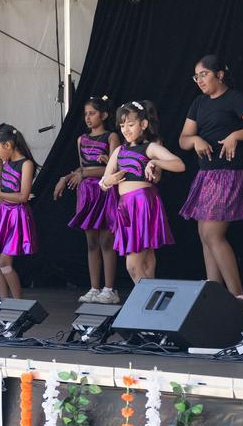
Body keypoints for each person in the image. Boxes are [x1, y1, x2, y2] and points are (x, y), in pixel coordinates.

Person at [178, 55, 243, 309]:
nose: (199, 81)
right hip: (207, 174)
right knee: (204, 233)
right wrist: (195, 140)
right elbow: (183, 139)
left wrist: (236, 135)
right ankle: (214, 293)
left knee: (212, 233)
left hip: (230, 173)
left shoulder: (234, 99)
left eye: (204, 74)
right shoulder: (198, 103)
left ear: (219, 74)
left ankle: (238, 297)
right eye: (196, 77)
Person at [102, 101, 183, 283]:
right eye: (122, 126)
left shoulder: (150, 148)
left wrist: (156, 162)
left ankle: (144, 303)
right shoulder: (119, 151)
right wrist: (109, 180)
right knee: (146, 263)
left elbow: (179, 164)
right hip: (125, 207)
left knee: (133, 265)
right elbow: (103, 181)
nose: (126, 130)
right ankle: (151, 306)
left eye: (130, 125)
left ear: (143, 124)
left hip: (143, 204)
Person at [55, 96, 122, 305]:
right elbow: (80, 168)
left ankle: (109, 289)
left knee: (106, 240)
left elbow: (114, 170)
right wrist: (66, 177)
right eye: (85, 114)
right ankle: (94, 288)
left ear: (103, 115)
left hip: (105, 190)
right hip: (87, 193)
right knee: (91, 242)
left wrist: (85, 172)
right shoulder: (81, 139)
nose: (87, 118)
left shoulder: (111, 137)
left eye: (92, 113)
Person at [0, 124, 37, 315]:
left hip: (15, 215)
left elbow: (22, 195)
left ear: (8, 145)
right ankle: (4, 304)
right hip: (2, 213)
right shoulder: (6, 163)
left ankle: (19, 306)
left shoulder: (26, 164)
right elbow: (3, 184)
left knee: (5, 262)